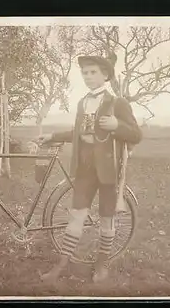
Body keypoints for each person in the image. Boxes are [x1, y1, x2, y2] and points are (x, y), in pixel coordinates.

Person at [37, 53, 143, 283]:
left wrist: (117, 126)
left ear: (105, 75)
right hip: (84, 169)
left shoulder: (117, 103)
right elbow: (77, 133)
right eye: (85, 73)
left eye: (93, 72)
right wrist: (52, 136)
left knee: (106, 217)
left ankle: (102, 264)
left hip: (108, 171)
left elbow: (136, 134)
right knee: (76, 215)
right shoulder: (82, 102)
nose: (88, 76)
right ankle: (62, 265)